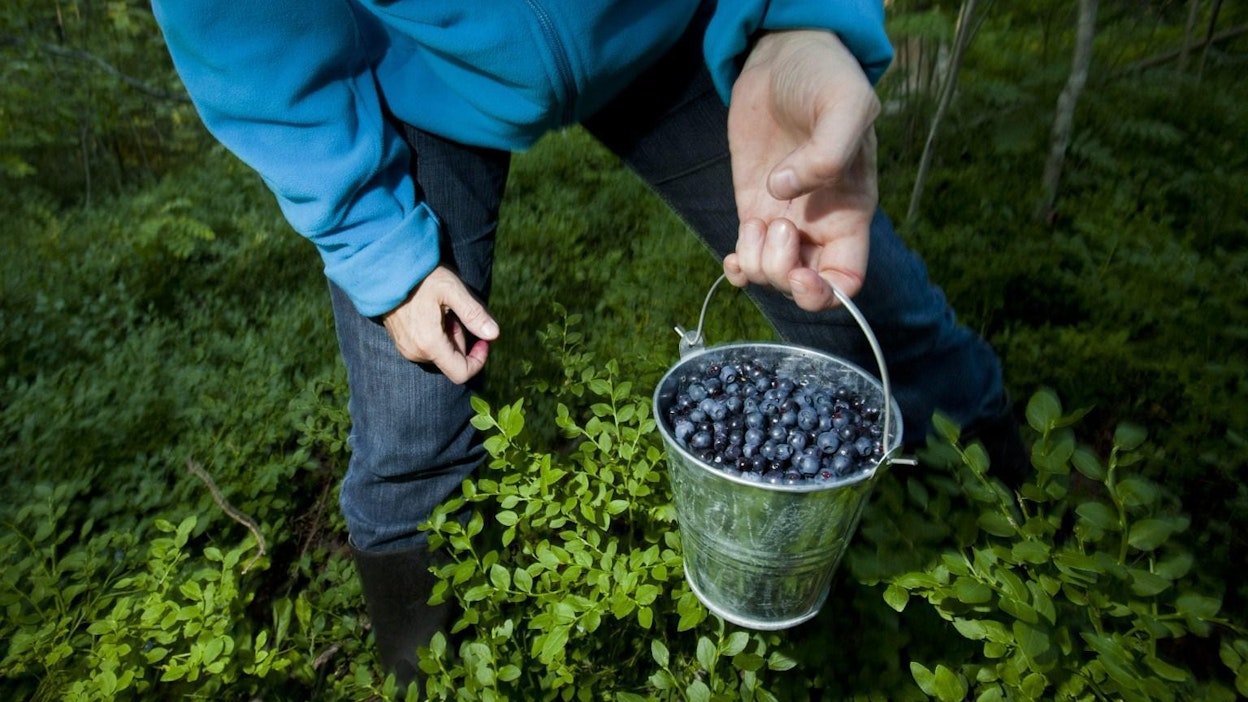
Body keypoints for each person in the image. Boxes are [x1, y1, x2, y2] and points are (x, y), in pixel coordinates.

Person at [152, 0, 1026, 689]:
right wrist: (377, 244)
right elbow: (240, 17)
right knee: (409, 439)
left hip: (681, 28)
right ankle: (429, 679)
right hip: (421, 74)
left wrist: (794, 20)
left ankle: (1032, 556)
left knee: (876, 323)